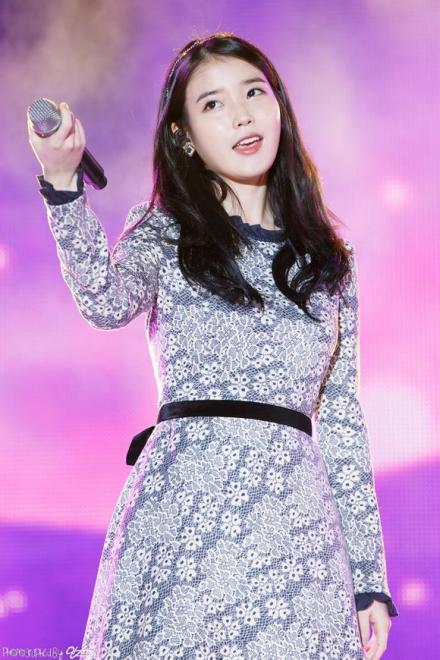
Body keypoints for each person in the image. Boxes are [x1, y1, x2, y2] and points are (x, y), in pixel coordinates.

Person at [28, 31, 398, 660]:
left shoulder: (329, 262)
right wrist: (64, 188)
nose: (242, 115)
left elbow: (339, 416)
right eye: (213, 104)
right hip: (181, 519)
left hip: (298, 537)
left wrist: (368, 579)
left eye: (254, 93)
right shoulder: (164, 232)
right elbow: (104, 302)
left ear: (278, 105)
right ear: (184, 137)